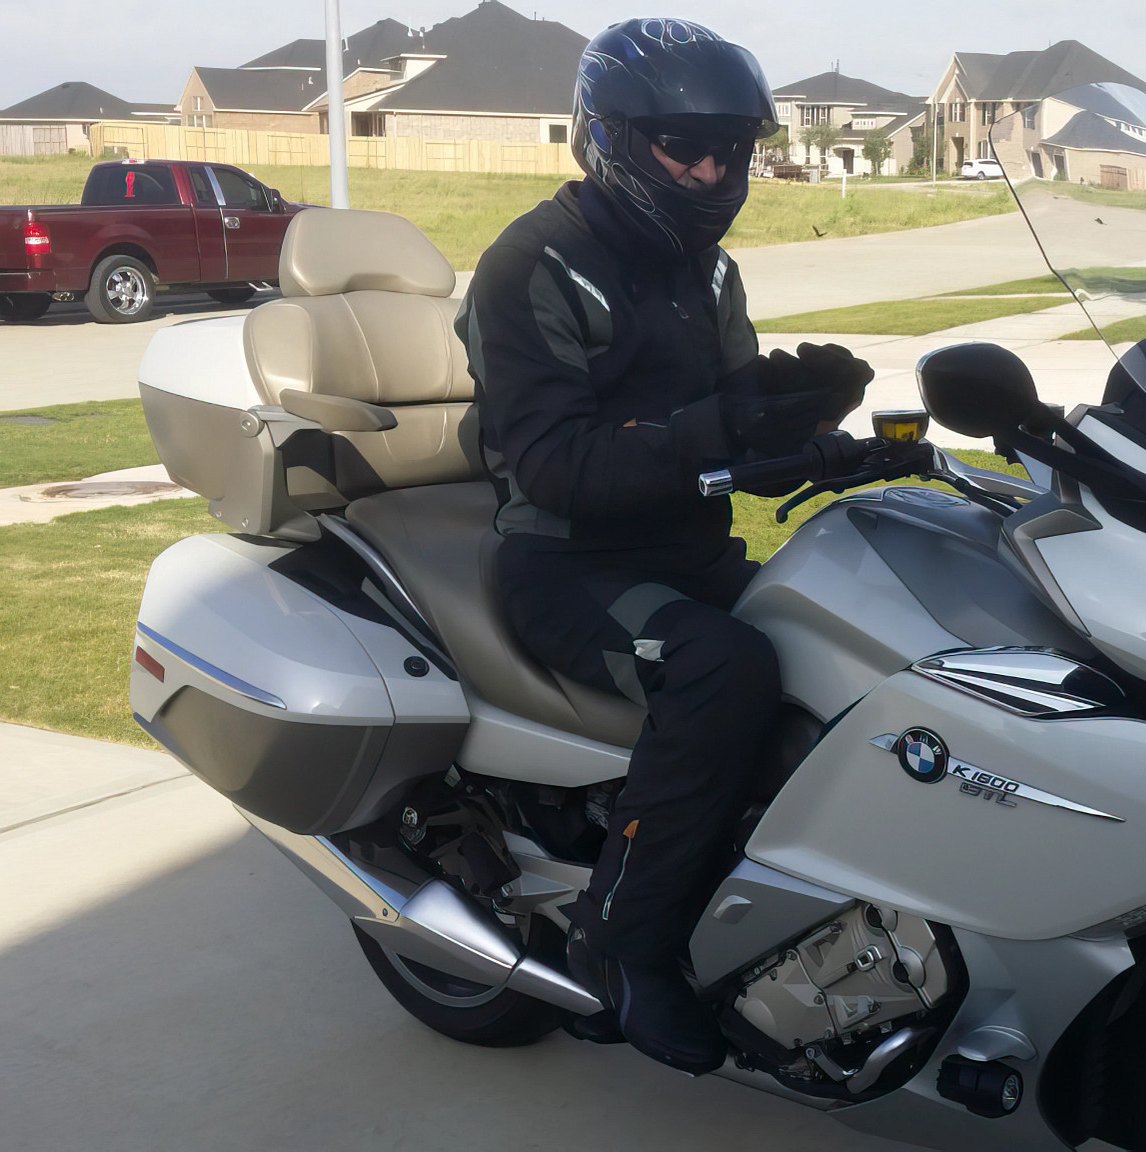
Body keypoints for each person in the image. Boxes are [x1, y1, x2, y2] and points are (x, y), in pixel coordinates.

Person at [454, 18, 873, 1074]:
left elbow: (727, 438)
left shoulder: (708, 268)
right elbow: (553, 465)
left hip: (684, 552)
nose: (708, 169)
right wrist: (722, 429)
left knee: (861, 635)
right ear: (612, 138)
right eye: (682, 146)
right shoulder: (533, 264)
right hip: (570, 567)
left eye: (729, 149)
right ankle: (624, 942)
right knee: (724, 670)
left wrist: (816, 432)